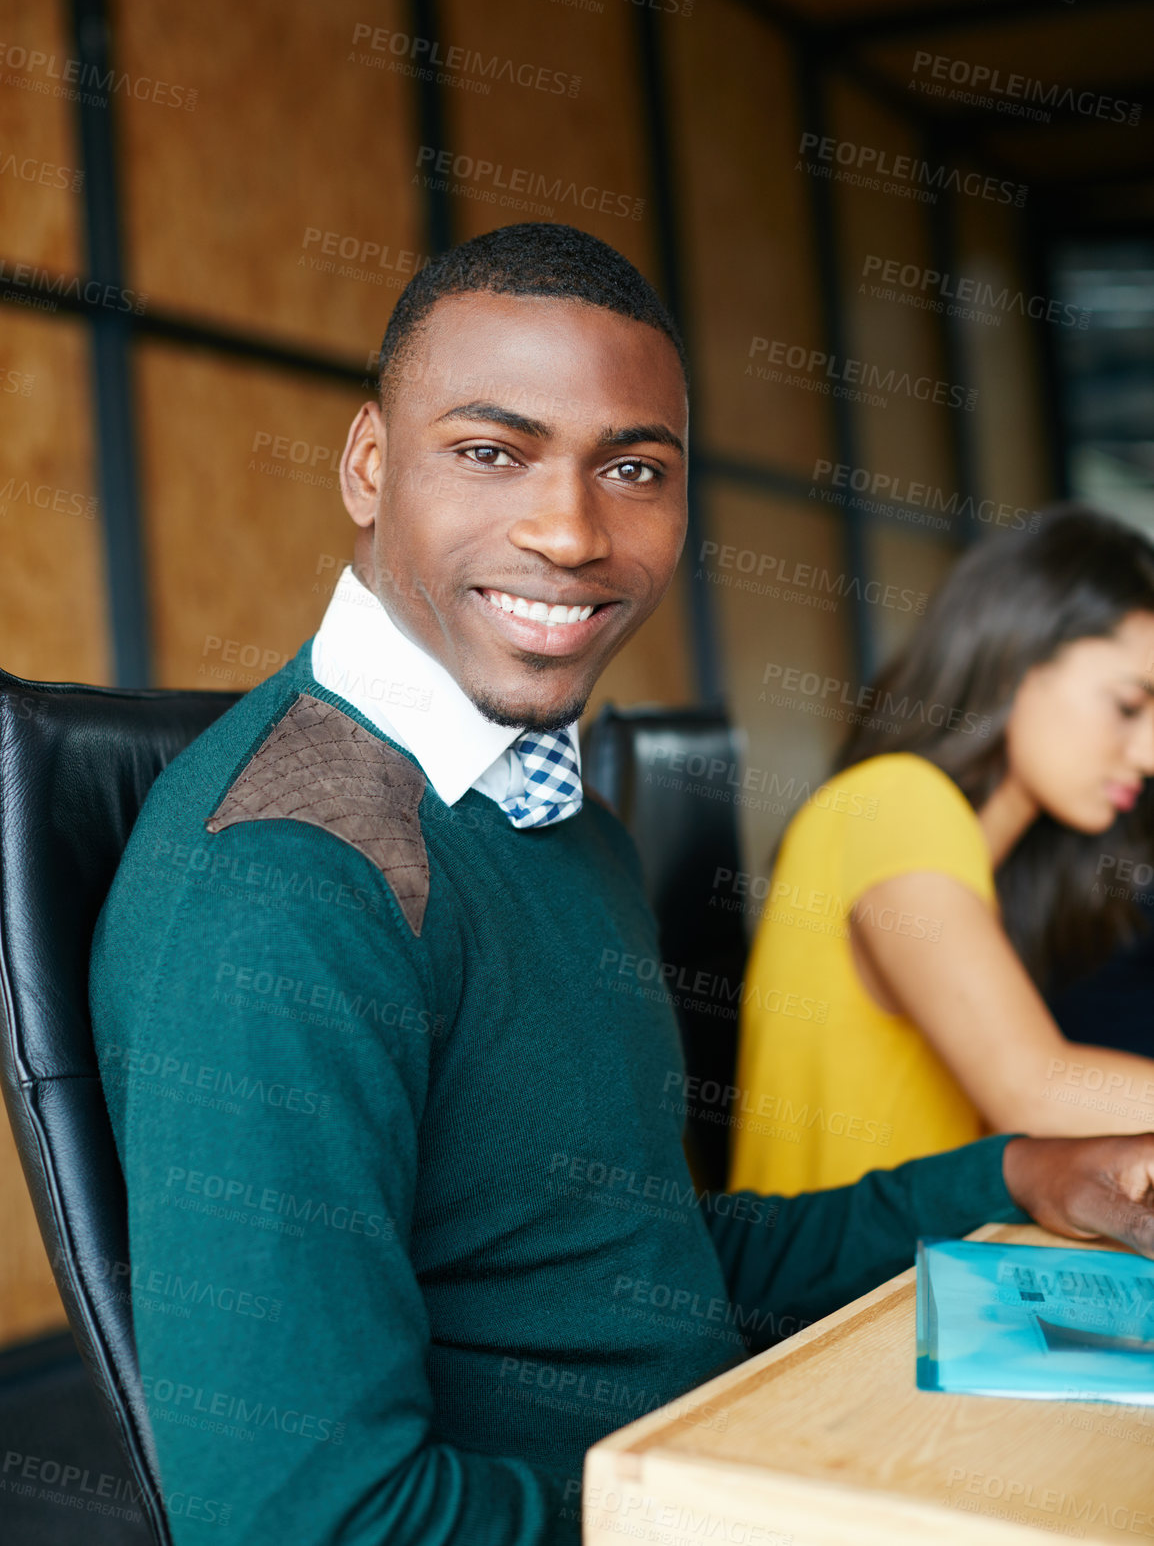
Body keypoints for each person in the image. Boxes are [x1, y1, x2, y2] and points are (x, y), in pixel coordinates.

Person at [90, 227, 1154, 1546]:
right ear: (368, 466)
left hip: (726, 1456)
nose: (569, 530)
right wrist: (748, 1519)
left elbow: (648, 1261)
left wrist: (1027, 1170)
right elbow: (306, 1523)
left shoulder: (559, 821)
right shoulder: (287, 884)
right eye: (491, 452)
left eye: (634, 470)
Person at [731, 506, 1154, 1198]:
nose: (1148, 753)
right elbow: (1033, 1086)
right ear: (1017, 661)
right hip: (850, 1298)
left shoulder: (989, 859)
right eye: (1129, 706)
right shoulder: (897, 800)